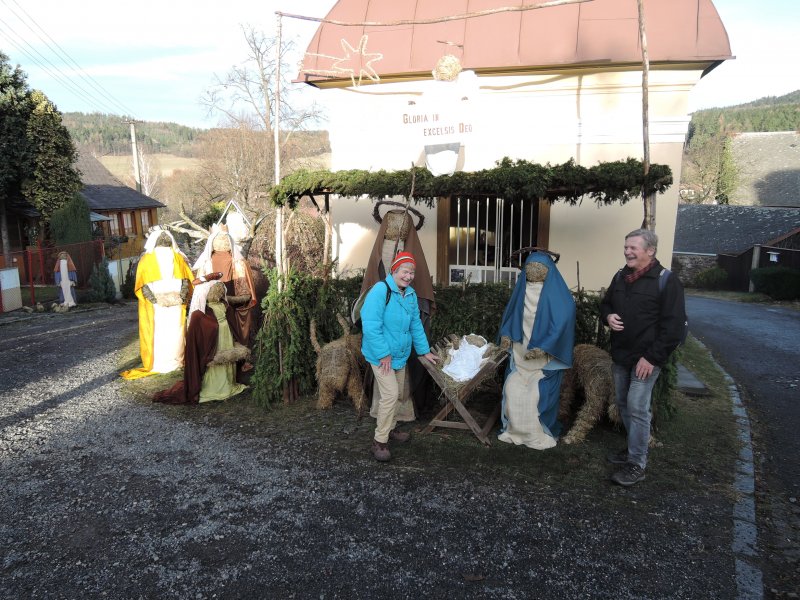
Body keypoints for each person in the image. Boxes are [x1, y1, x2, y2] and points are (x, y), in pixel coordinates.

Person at [600, 228, 686, 486]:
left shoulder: (666, 280)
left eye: (633, 248)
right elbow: (605, 304)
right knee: (624, 405)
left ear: (650, 251)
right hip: (621, 356)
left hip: (646, 360)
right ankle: (632, 448)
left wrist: (651, 358)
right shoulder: (621, 276)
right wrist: (607, 316)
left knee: (637, 408)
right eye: (626, 247)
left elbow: (674, 328)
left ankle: (637, 463)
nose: (627, 251)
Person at [360, 251, 439, 462]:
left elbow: (415, 325)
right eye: (405, 271)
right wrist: (383, 354)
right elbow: (370, 326)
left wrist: (424, 351)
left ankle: (390, 428)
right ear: (395, 270)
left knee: (396, 395)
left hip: (400, 355)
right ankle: (379, 441)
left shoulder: (410, 295)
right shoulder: (380, 291)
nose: (409, 276)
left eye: (412, 272)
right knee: (390, 395)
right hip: (381, 356)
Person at [497, 251, 575, 449]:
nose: (533, 271)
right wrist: (506, 336)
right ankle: (514, 430)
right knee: (512, 389)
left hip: (544, 361)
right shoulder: (521, 290)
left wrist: (544, 347)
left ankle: (536, 432)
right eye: (529, 268)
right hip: (521, 356)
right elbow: (511, 315)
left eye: (539, 268)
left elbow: (562, 323)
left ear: (548, 271)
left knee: (535, 395)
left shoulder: (558, 294)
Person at [154, 281, 248, 405]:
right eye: (217, 291)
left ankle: (228, 384)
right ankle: (216, 386)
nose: (220, 293)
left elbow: (230, 318)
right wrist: (213, 324)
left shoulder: (224, 305)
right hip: (217, 337)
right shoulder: (205, 309)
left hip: (226, 335)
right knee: (216, 357)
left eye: (221, 291)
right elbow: (204, 323)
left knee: (227, 357)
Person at [121, 228, 194, 380]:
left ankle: (162, 363)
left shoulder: (147, 259)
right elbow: (187, 280)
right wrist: (182, 297)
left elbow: (142, 285)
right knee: (176, 331)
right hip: (175, 303)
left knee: (160, 332)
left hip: (158, 306)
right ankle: (176, 361)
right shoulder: (178, 257)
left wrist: (154, 299)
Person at [191, 225, 257, 371]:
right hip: (233, 305)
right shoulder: (238, 261)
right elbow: (244, 289)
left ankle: (213, 365)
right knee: (236, 332)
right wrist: (234, 299)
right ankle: (240, 364)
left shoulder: (206, 262)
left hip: (212, 304)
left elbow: (199, 286)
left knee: (216, 335)